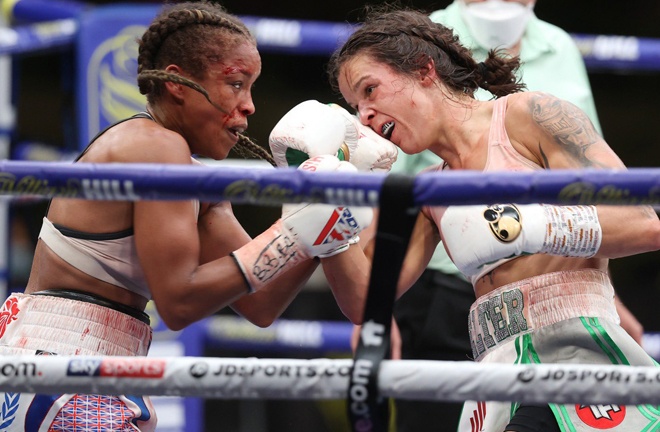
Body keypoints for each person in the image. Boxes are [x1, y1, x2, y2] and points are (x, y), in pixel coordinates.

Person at [0, 2, 373, 430]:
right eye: (235, 83)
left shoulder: (195, 182)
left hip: (90, 366)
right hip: (57, 360)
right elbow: (177, 303)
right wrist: (290, 233)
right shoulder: (153, 146)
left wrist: (319, 221)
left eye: (251, 87)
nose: (249, 105)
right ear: (179, 83)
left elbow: (261, 303)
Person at [324, 6, 660, 431]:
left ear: (424, 70)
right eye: (356, 106)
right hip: (496, 373)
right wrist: (325, 215)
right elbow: (364, 300)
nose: (364, 117)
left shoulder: (528, 116)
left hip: (574, 353)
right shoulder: (429, 191)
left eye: (369, 91)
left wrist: (528, 227)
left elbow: (643, 221)